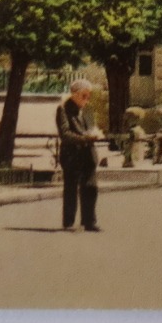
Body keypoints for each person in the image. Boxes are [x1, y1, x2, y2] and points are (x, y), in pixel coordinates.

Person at [55, 79, 102, 231]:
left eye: (88, 96)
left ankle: (89, 222)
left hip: (88, 154)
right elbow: (65, 134)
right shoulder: (63, 109)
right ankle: (68, 222)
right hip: (72, 155)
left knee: (91, 187)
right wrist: (86, 138)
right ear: (74, 95)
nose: (86, 99)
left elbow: (91, 127)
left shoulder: (87, 110)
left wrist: (95, 134)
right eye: (84, 96)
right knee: (71, 188)